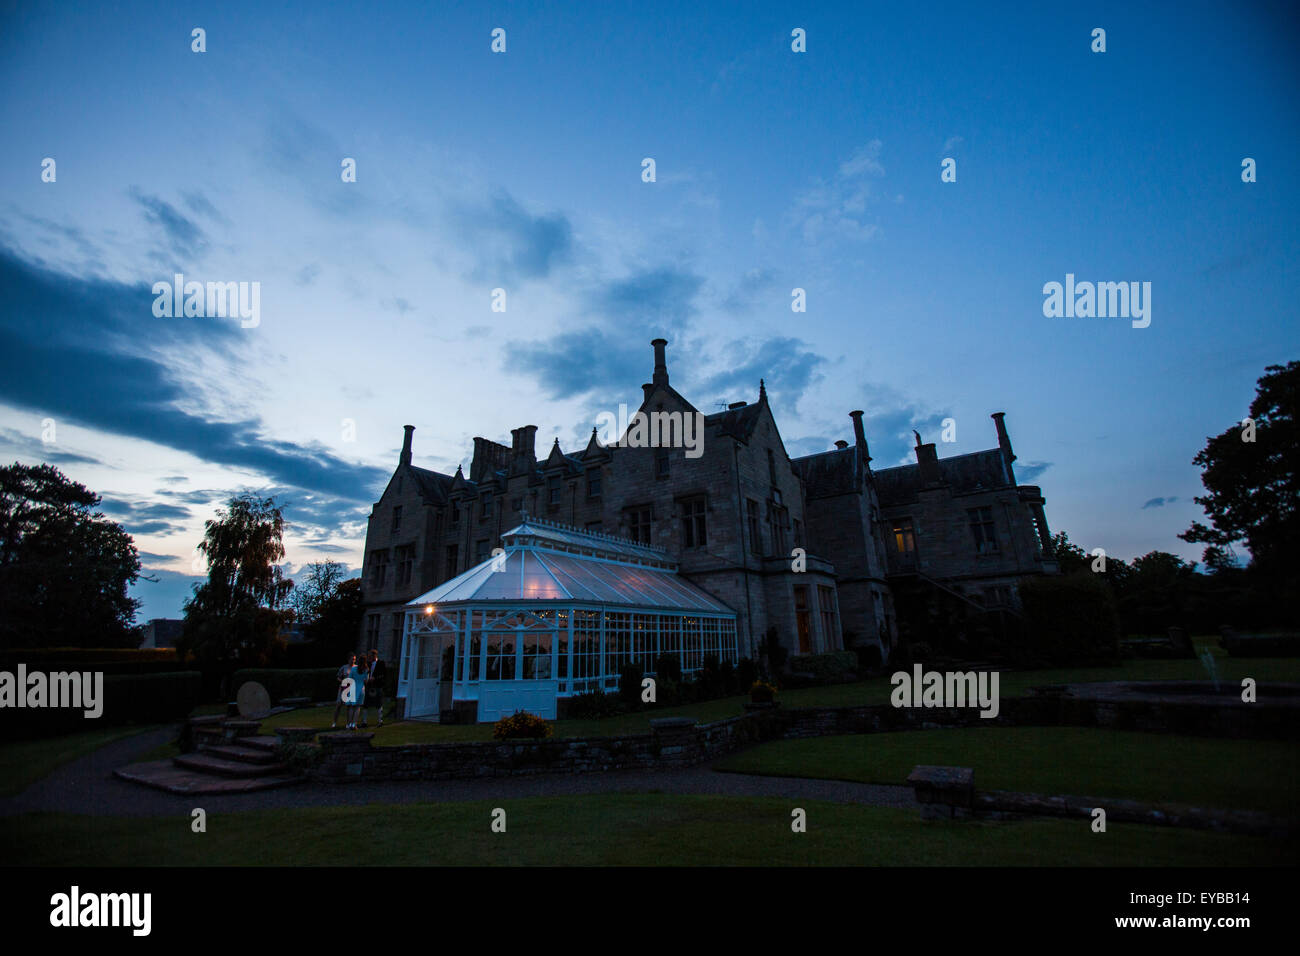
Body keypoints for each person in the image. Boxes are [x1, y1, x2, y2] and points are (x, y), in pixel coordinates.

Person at [362, 649, 387, 728]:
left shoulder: (381, 663)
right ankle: (364, 722)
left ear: (375, 655)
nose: (370, 657)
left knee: (379, 703)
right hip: (369, 686)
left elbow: (384, 674)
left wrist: (375, 678)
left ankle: (380, 721)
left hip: (377, 686)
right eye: (369, 656)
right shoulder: (368, 664)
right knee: (366, 704)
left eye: (371, 656)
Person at [331, 653, 356, 728]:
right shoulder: (344, 667)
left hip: (351, 688)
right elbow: (338, 677)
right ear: (348, 660)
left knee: (349, 706)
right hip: (343, 688)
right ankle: (334, 722)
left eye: (354, 659)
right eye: (352, 659)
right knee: (338, 705)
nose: (353, 661)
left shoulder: (356, 668)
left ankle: (348, 723)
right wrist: (342, 681)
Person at [346, 657, 367, 730]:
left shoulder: (354, 669)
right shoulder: (366, 669)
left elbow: (349, 678)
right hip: (361, 689)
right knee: (357, 707)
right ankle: (354, 724)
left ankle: (349, 724)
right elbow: (366, 680)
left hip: (353, 688)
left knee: (351, 707)